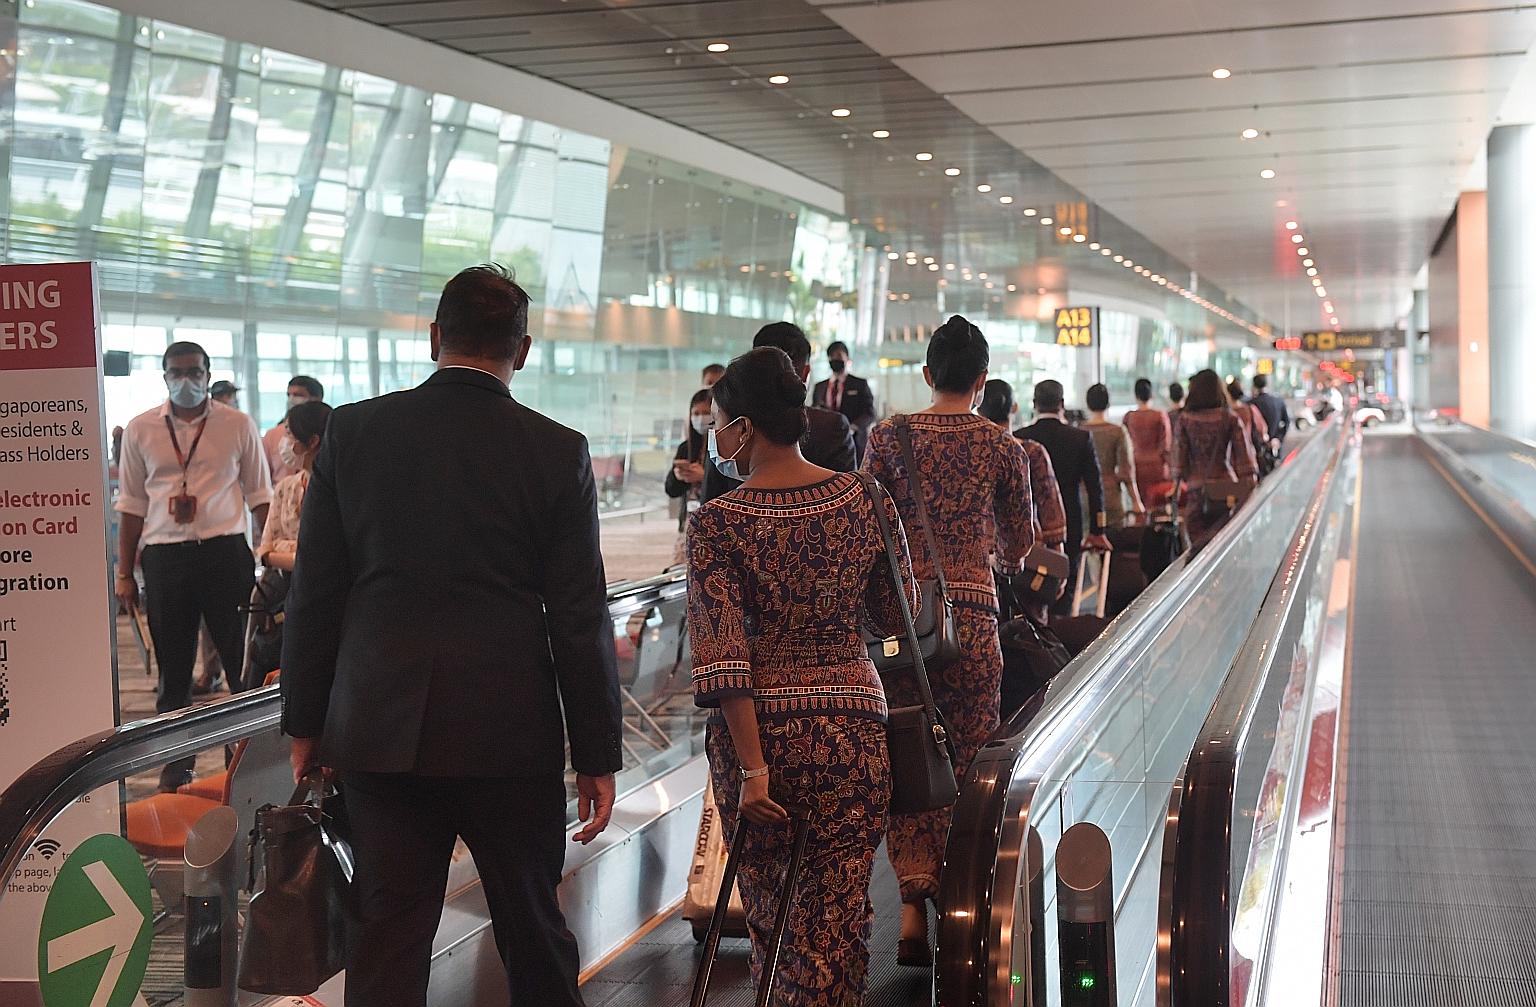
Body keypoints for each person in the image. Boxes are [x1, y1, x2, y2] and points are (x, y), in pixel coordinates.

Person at [280, 265, 623, 1007]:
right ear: (522, 351)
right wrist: (596, 753)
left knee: (389, 934)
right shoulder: (556, 449)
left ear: (434, 337)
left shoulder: (353, 431)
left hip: (380, 727)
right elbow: (577, 615)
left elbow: (316, 593)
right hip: (509, 732)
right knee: (533, 926)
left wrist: (305, 721)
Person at [688, 346, 916, 1005]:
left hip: (763, 746)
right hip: (853, 734)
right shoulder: (866, 498)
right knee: (842, 916)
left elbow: (724, 659)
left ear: (746, 427)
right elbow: (894, 613)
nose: (718, 435)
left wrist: (755, 767)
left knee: (775, 919)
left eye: (721, 420)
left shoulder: (717, 523)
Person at [865, 315, 1036, 963]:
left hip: (906, 623)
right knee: (967, 758)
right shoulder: (1004, 448)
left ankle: (910, 904)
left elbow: (871, 520)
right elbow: (1019, 544)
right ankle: (964, 899)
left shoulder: (887, 436)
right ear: (983, 379)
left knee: (909, 754)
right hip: (974, 620)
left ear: (928, 373)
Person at [114, 341, 272, 789]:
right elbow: (131, 505)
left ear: (208, 373)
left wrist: (270, 558)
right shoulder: (141, 429)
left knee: (241, 666)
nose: (187, 381)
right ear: (164, 376)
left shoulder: (237, 425)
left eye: (194, 372)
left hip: (225, 554)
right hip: (165, 558)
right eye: (176, 373)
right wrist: (125, 572)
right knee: (174, 670)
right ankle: (177, 765)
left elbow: (261, 496)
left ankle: (244, 764)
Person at [701, 322, 856, 503]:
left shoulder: (730, 427)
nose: (715, 430)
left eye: (714, 421)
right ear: (805, 373)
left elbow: (710, 497)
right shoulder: (859, 495)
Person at [1016, 380, 1112, 616]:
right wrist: (1098, 530)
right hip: (1071, 524)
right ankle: (1062, 638)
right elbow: (1095, 487)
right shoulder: (1080, 438)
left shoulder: (1019, 438)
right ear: (1062, 404)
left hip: (1030, 527)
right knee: (1065, 586)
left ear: (1034, 405)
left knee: (1030, 589)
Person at [1173, 369, 1259, 550]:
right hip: (1226, 491)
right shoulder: (1230, 418)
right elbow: (1246, 463)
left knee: (1199, 549)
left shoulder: (1185, 420)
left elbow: (1179, 465)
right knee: (1224, 550)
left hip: (1197, 492)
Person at [979, 379, 1068, 553]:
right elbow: (1050, 508)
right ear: (1014, 407)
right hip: (1028, 553)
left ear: (980, 412)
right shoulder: (1031, 451)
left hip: (984, 552)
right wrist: (1057, 557)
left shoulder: (972, 454)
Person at [256, 400, 332, 572]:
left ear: (312, 441)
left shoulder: (337, 490)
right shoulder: (286, 487)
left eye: (289, 434)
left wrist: (280, 548)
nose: (283, 442)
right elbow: (265, 550)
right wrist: (297, 553)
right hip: (287, 590)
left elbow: (322, 558)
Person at [1082, 383, 1143, 527]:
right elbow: (1126, 471)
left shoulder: (1079, 432)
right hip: (1111, 496)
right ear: (1108, 403)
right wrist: (1136, 501)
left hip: (1084, 497)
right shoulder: (1118, 431)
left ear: (1088, 404)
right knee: (1115, 542)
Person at [665, 388, 712, 562]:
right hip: (688, 523)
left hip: (714, 526)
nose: (700, 418)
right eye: (696, 413)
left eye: (706, 413)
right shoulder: (686, 447)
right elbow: (671, 489)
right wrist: (678, 475)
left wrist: (704, 477)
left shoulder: (726, 446)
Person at [814, 340, 878, 462]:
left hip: (854, 443)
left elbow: (870, 413)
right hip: (826, 445)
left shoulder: (860, 384)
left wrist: (853, 427)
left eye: (838, 356)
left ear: (847, 358)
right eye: (831, 357)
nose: (835, 359)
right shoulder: (820, 387)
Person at [262, 375, 324, 483]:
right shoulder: (273, 435)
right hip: (281, 495)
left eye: (298, 395)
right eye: (289, 395)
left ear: (317, 399)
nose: (291, 399)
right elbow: (263, 476)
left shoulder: (328, 432)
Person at [1124, 377, 1173, 508]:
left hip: (1136, 467)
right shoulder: (1160, 415)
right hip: (1157, 467)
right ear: (1151, 394)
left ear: (1136, 395)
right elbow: (1166, 446)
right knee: (1158, 506)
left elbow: (1125, 446)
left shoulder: (1129, 417)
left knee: (1140, 506)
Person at [1249, 374, 1290, 445]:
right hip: (1275, 447)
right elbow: (1286, 421)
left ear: (1254, 386)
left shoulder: (1251, 404)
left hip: (1258, 447)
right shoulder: (1279, 401)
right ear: (1267, 384)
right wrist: (1278, 438)